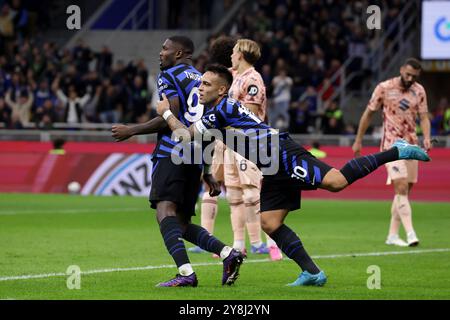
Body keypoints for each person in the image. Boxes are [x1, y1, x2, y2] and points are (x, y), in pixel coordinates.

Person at [156, 64, 430, 286]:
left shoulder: (221, 110)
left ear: (221, 89)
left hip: (280, 152)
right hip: (270, 165)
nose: (200, 87)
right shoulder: (218, 112)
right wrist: (208, 173)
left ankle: (395, 151)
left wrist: (166, 111)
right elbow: (206, 141)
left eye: (206, 84)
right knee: (270, 223)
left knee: (336, 182)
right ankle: (312, 272)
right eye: (200, 83)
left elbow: (183, 135)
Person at [111, 36, 245, 287]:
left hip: (173, 152)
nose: (161, 53)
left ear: (180, 53)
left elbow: (167, 115)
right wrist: (205, 170)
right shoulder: (204, 81)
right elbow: (208, 128)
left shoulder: (170, 75)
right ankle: (228, 254)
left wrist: (132, 129)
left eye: (165, 48)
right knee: (181, 223)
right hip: (195, 157)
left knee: (164, 211)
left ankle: (185, 274)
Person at [192, 38, 282, 260]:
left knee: (251, 192)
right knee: (233, 194)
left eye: (233, 51)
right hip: (229, 142)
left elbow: (247, 115)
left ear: (240, 54)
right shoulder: (236, 77)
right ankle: (239, 244)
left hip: (248, 143)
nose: (231, 54)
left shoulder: (253, 79)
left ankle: (268, 243)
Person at [352, 58, 431, 247]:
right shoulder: (384, 87)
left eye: (414, 76)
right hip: (391, 146)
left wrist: (427, 137)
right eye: (408, 74)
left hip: (412, 146)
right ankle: (411, 233)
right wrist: (358, 140)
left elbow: (424, 117)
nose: (410, 78)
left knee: (404, 191)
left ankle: (392, 235)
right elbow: (368, 113)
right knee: (401, 187)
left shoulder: (419, 90)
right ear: (402, 69)